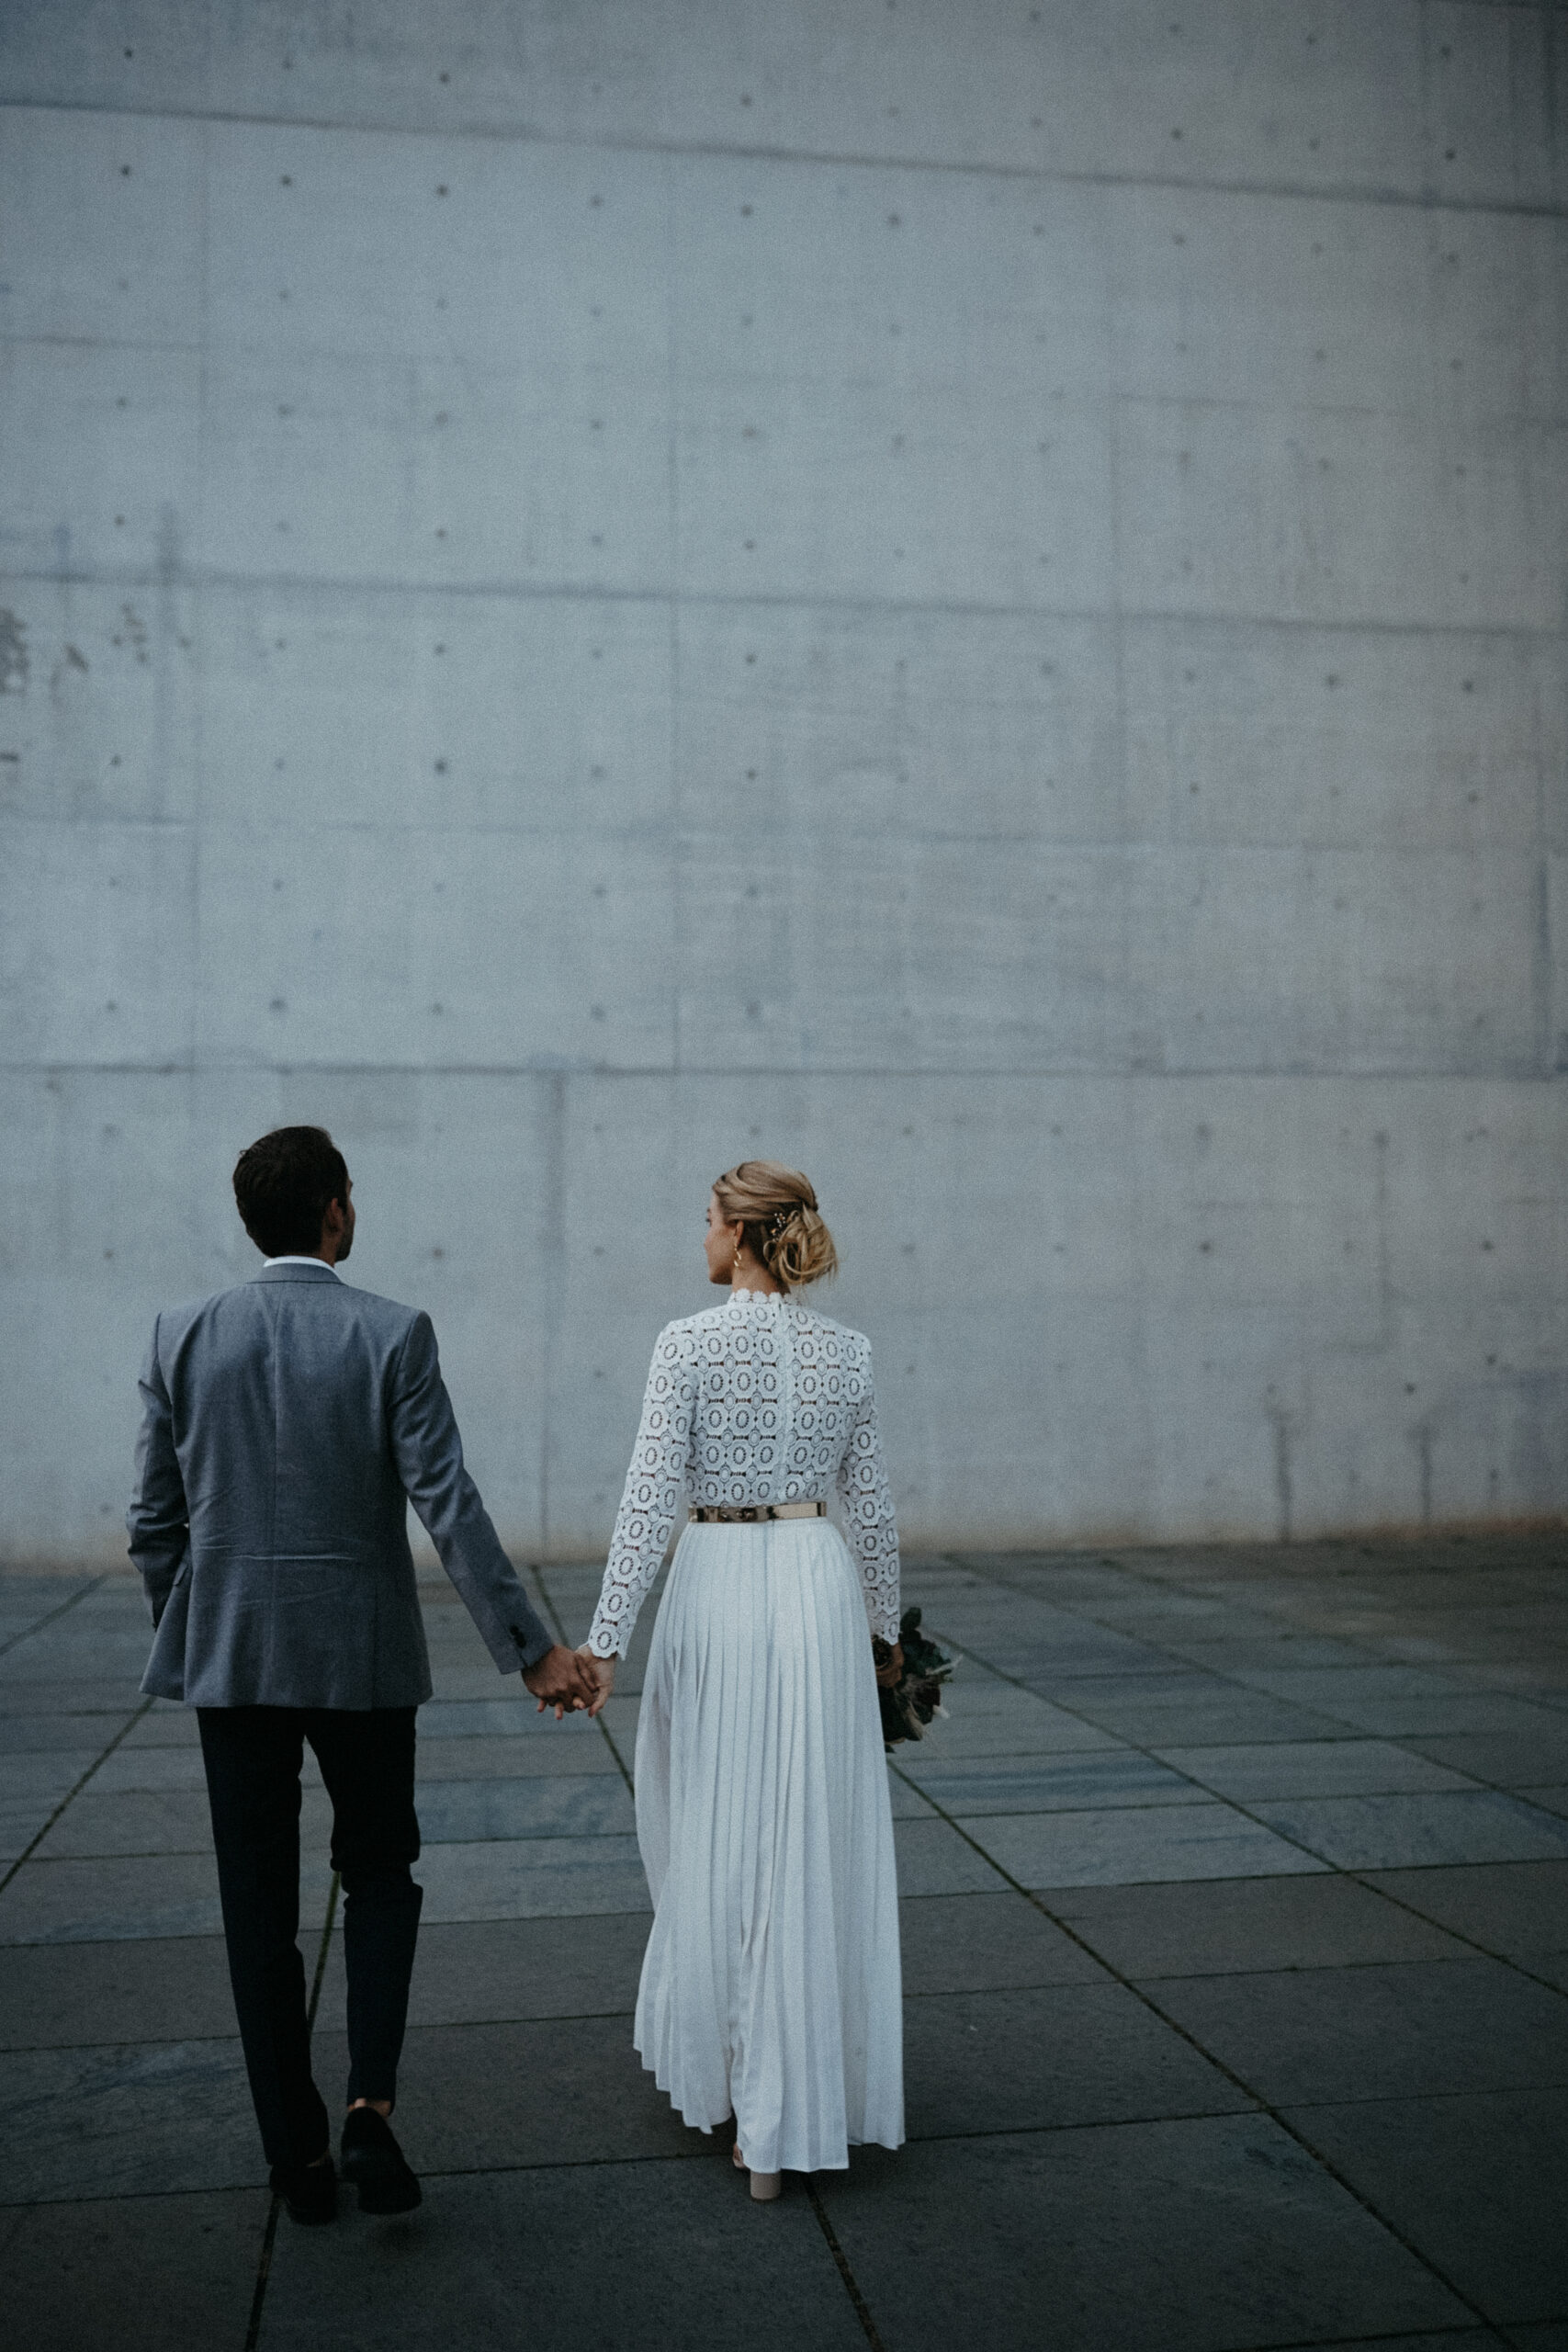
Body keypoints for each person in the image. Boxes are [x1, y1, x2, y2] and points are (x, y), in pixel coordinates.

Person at [126, 1125, 597, 2224]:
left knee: (257, 1911)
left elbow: (155, 1524)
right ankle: (369, 2110)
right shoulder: (393, 1333)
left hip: (233, 1661)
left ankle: (294, 2158)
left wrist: (193, 1633)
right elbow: (450, 1505)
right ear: (335, 1210)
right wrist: (533, 1651)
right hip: (365, 1660)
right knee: (380, 1872)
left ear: (254, 1221)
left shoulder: (181, 1334)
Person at [577, 1160, 906, 2200]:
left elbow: (644, 1506)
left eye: (708, 1220)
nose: (701, 1235)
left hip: (716, 1586)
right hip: (813, 1586)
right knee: (804, 1840)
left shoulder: (686, 1343)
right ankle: (782, 2111)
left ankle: (745, 2097)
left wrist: (602, 1644)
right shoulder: (848, 1352)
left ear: (741, 1235)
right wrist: (884, 1632)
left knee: (714, 1827)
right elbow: (878, 1515)